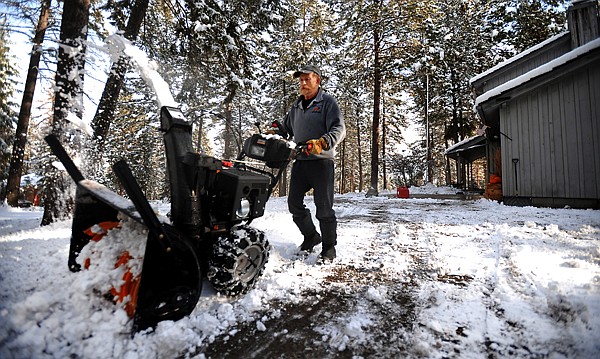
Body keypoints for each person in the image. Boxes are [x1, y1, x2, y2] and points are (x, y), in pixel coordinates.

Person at [280, 64, 346, 261]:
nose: (303, 83)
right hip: (301, 161)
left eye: (307, 79)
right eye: (301, 80)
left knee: (324, 208)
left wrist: (323, 142)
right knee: (294, 204)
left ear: (318, 80)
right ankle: (311, 237)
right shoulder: (296, 106)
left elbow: (339, 128)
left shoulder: (327, 102)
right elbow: (285, 128)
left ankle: (329, 247)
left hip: (321, 163)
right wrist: (275, 131)